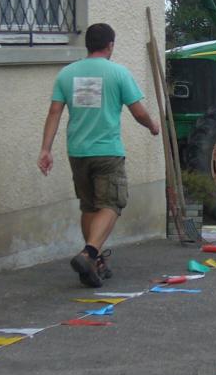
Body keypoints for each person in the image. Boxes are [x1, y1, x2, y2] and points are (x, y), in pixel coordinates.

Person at [38, 22, 159, 287]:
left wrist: (46, 149)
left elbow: (54, 113)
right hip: (107, 151)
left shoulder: (67, 74)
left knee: (89, 205)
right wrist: (152, 125)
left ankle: (96, 262)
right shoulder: (118, 73)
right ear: (110, 45)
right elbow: (137, 111)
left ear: (87, 45)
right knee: (112, 204)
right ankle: (89, 253)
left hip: (77, 151)